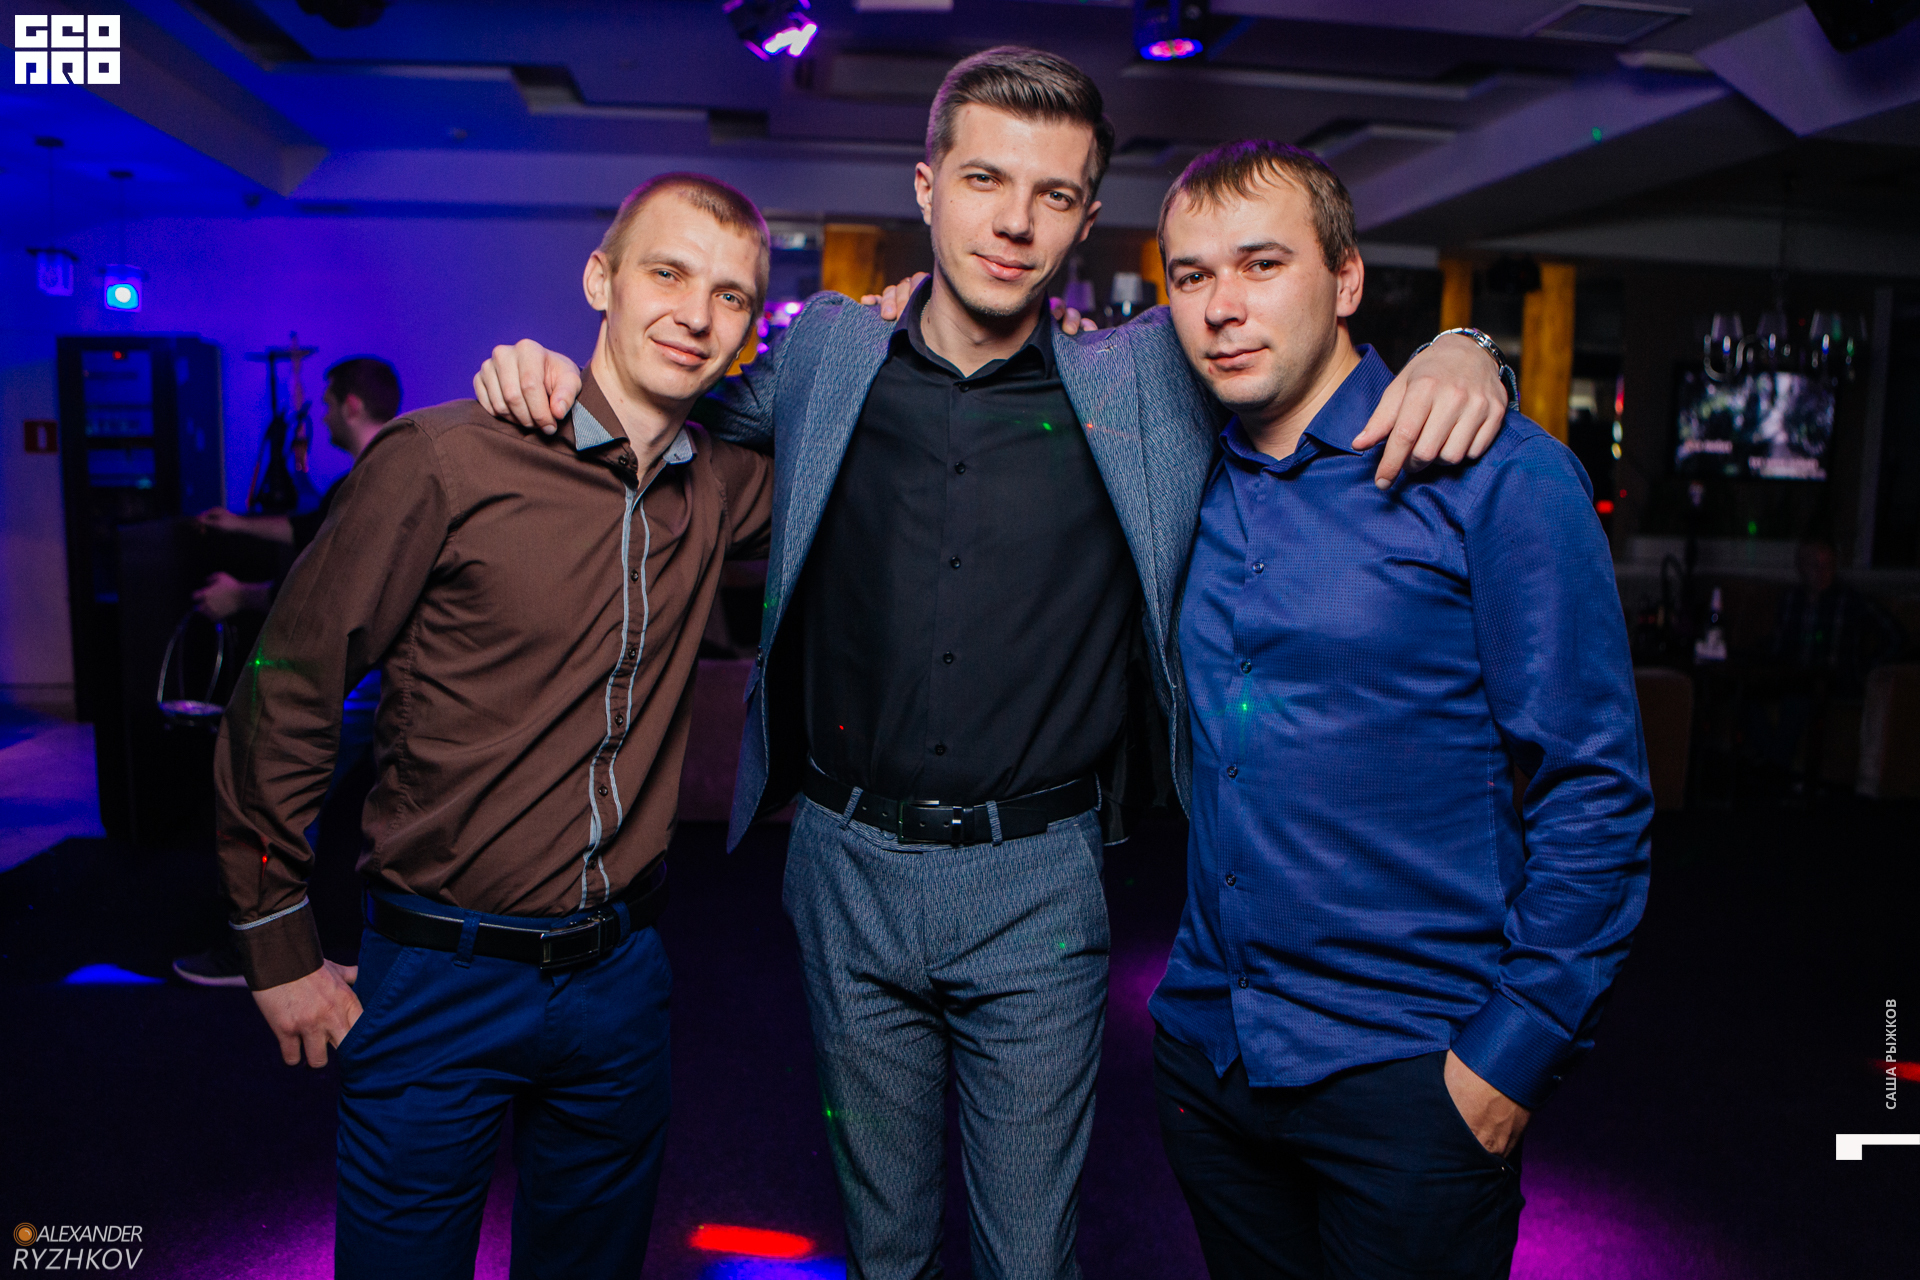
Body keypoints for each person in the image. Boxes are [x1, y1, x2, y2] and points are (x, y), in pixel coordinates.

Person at [474, 47, 1512, 1280]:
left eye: (1054, 194)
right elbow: (669, 394)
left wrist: (1466, 345)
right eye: (983, 179)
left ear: (1085, 216)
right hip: (843, 865)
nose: (1015, 221)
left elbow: (1292, 342)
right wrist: (545, 368)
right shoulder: (829, 353)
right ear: (926, 187)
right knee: (886, 1248)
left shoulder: (1139, 375)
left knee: (1029, 1259)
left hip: (1039, 882)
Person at [214, 174, 774, 1277]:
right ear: (601, 280)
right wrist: (275, 941)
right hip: (439, 975)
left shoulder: (722, 487)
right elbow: (286, 684)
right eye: (666, 273)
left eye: (731, 296)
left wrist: (904, 312)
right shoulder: (443, 458)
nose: (696, 315)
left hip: (622, 981)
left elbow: (865, 426)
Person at [1146, 139, 1653, 1278]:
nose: (1222, 306)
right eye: (1191, 275)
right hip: (1215, 1059)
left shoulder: (1497, 475)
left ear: (1346, 279)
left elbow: (1595, 790)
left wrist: (1510, 1058)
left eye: (1262, 264)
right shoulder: (1182, 466)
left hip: (1414, 1074)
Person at [174, 359, 404, 987]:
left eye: (327, 403)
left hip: (362, 681)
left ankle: (263, 954)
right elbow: (313, 529)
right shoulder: (387, 471)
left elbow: (336, 587)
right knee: (325, 812)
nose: (322, 414)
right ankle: (310, 946)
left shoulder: (381, 475)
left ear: (351, 405)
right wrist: (238, 526)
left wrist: (243, 597)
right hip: (380, 680)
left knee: (275, 798)